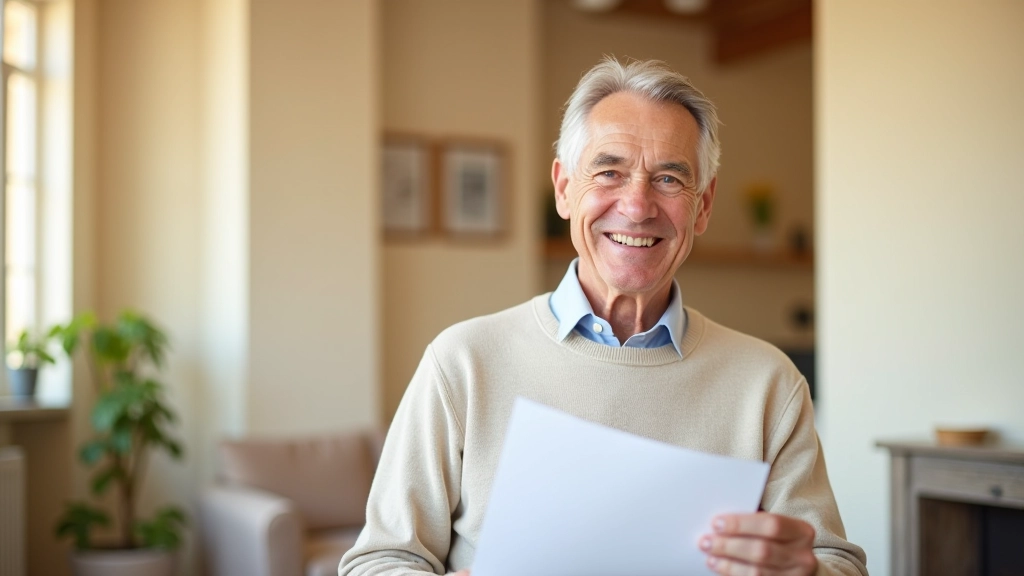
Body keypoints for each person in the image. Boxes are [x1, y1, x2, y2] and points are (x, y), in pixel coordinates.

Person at [340, 58, 868, 576]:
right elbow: (381, 560)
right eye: (609, 172)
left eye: (668, 179)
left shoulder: (768, 384)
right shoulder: (462, 364)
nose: (637, 206)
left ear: (703, 205)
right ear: (565, 188)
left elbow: (838, 563)